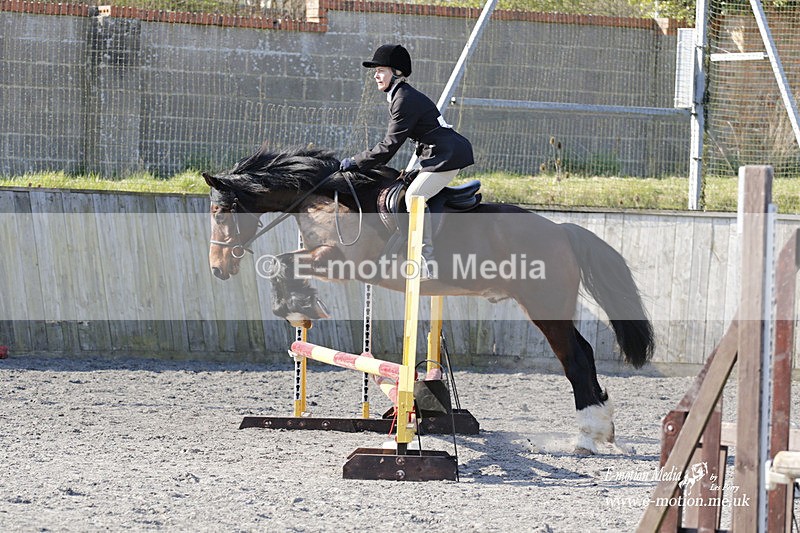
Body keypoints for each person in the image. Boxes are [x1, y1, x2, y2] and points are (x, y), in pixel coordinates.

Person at [340, 44, 474, 280]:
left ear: (397, 72)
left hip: (447, 155)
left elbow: (389, 145)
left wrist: (356, 161)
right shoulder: (400, 96)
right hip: (436, 154)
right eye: (375, 71)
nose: (375, 75)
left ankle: (426, 261)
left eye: (381, 70)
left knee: (414, 197)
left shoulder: (404, 99)